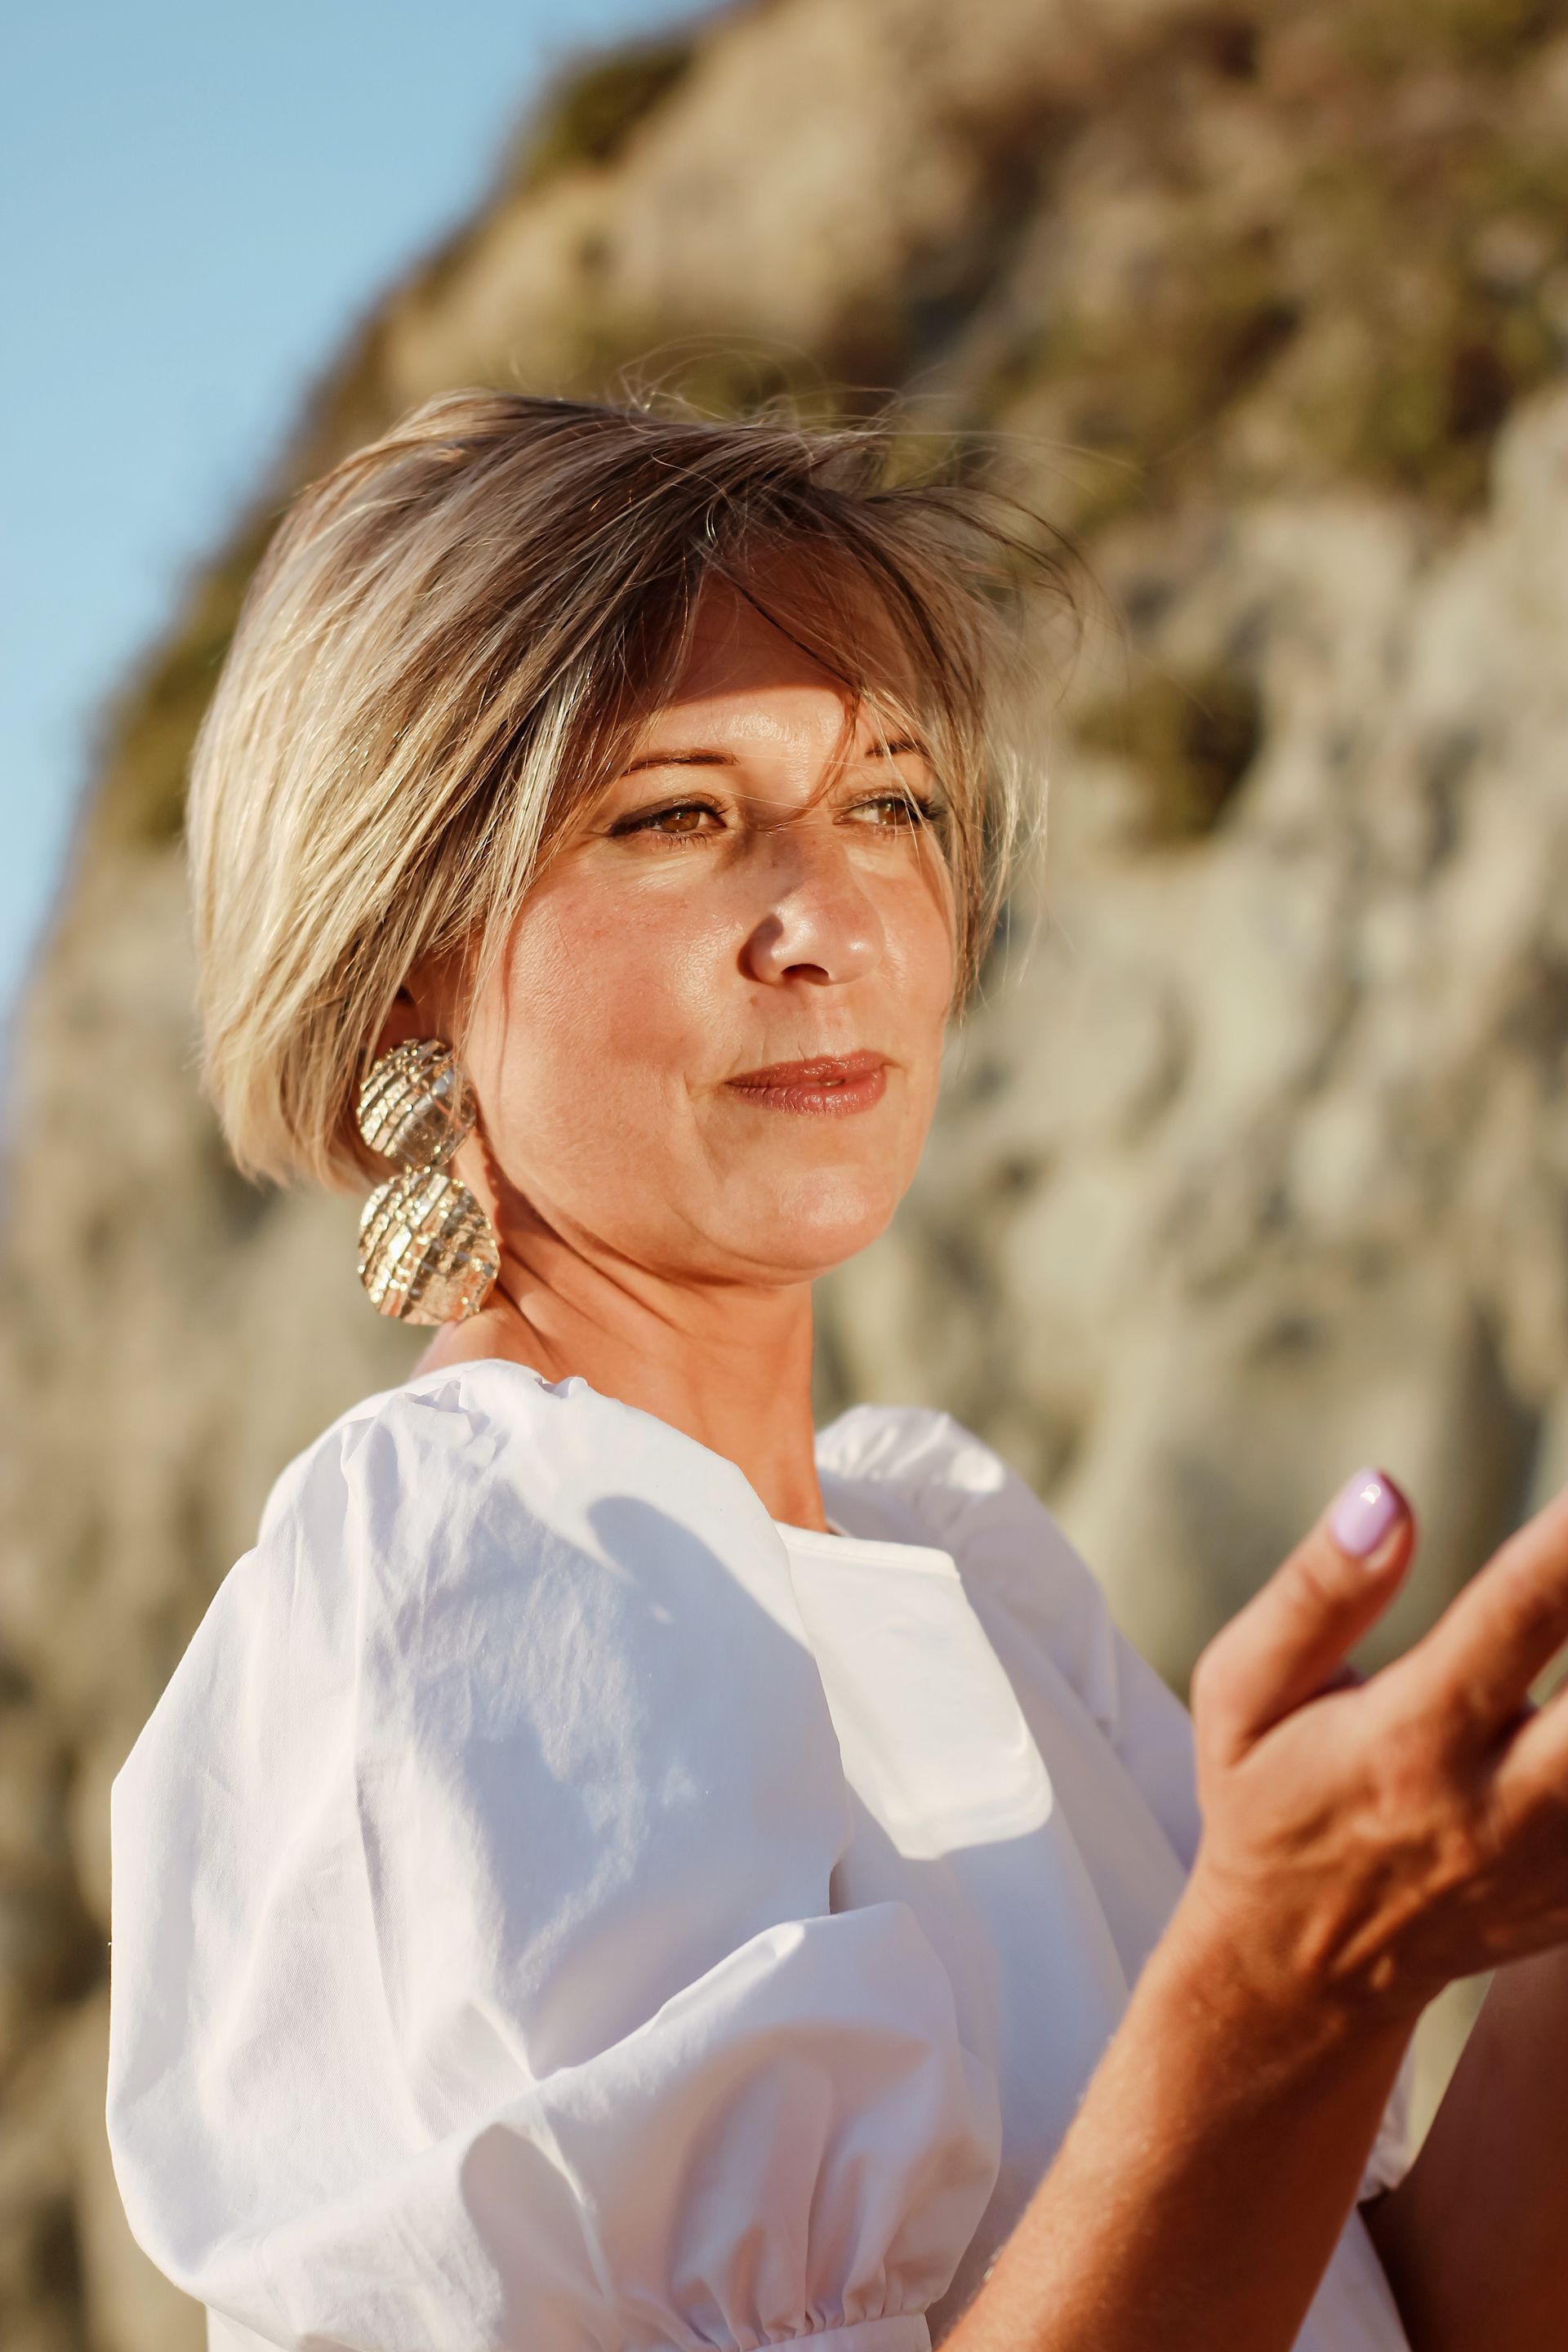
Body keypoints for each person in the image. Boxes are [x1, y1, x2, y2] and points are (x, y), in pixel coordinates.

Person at [106, 391, 1568, 2352]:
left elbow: (1402, 2314)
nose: (837, 921)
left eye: (891, 803)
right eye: (678, 816)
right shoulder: (456, 1573)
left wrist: (1397, 1950)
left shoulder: (962, 1567)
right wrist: (1278, 1983)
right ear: (404, 966)